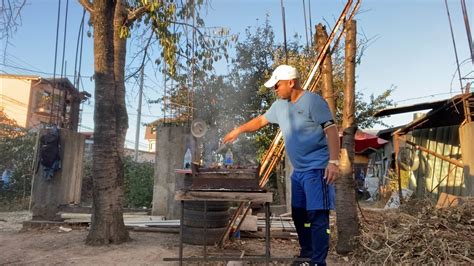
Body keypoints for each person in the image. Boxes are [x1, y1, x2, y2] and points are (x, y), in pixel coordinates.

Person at [223, 65, 340, 266]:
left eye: (277, 86)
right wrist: (238, 130)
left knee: (317, 216)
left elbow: (331, 129)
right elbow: (260, 121)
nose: (275, 90)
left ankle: (318, 262)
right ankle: (306, 254)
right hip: (299, 171)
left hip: (317, 168)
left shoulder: (313, 101)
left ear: (290, 82)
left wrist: (334, 162)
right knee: (299, 214)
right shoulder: (279, 105)